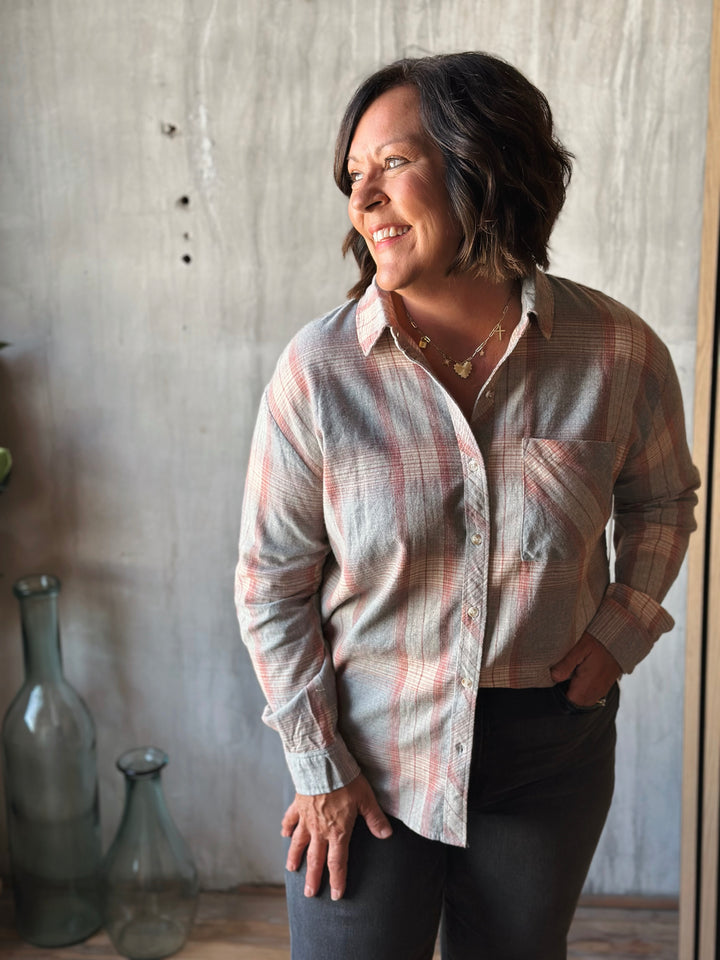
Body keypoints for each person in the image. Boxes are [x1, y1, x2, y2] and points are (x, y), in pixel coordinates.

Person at [235, 52, 699, 960]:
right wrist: (319, 768)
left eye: (394, 163)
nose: (363, 197)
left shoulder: (617, 353)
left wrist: (620, 632)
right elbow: (269, 586)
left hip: (545, 758)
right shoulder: (319, 374)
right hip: (366, 760)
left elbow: (665, 500)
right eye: (353, 174)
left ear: (483, 165)